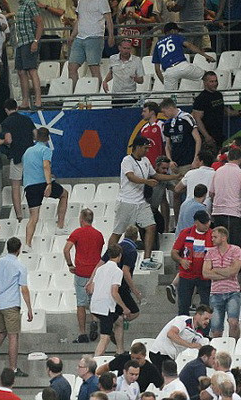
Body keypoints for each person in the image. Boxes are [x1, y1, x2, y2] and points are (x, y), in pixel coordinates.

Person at [109, 136, 162, 270]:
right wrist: (146, 182)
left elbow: (155, 175)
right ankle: (110, 259)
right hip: (126, 201)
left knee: (151, 226)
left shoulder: (146, 161)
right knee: (118, 232)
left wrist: (176, 177)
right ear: (137, 147)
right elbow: (130, 177)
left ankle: (146, 259)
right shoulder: (127, 160)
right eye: (145, 148)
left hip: (140, 202)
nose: (147, 151)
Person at [0, 237, 32, 377]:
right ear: (19, 249)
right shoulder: (20, 266)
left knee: (1, 332)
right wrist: (29, 308)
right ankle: (13, 368)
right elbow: (24, 289)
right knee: (13, 336)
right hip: (11, 304)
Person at [22, 127, 68, 250]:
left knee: (33, 217)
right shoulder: (45, 150)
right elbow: (45, 166)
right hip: (42, 183)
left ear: (36, 137)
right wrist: (49, 184)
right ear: (48, 138)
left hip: (29, 186)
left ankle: (27, 244)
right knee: (64, 194)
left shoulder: (27, 151)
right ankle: (60, 226)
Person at [64, 208, 104, 344]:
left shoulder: (77, 233)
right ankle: (94, 320)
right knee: (94, 301)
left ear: (81, 218)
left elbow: (66, 249)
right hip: (96, 273)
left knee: (81, 303)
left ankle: (82, 333)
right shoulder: (99, 234)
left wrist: (70, 265)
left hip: (81, 272)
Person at [68, 0, 113, 88]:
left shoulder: (101, 0)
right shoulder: (81, 0)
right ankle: (74, 92)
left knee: (94, 67)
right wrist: (72, 35)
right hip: (80, 37)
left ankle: (96, 91)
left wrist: (111, 35)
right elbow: (80, 19)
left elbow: (108, 19)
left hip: (94, 37)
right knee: (72, 66)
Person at [90, 244, 134, 357]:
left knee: (119, 321)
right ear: (119, 256)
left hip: (95, 305)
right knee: (105, 337)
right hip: (106, 307)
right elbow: (114, 292)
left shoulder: (100, 269)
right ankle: (94, 362)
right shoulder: (117, 271)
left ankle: (120, 350)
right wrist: (124, 308)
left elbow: (92, 288)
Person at [171, 210, 213, 316]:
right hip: (187, 275)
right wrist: (181, 260)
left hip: (205, 276)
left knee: (206, 306)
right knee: (183, 306)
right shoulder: (185, 233)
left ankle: (204, 332)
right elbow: (174, 252)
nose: (206, 225)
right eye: (203, 223)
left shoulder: (213, 235)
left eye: (208, 222)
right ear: (196, 222)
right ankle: (183, 328)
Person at [0, 99, 36, 222]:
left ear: (6, 110)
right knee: (32, 185)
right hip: (30, 156)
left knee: (16, 187)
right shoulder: (27, 119)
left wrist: (1, 141)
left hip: (17, 157)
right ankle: (34, 213)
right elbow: (36, 135)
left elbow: (8, 140)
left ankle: (19, 216)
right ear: (17, 107)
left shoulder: (6, 122)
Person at [203, 226, 241, 339]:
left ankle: (234, 345)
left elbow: (234, 271)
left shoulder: (236, 250)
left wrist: (215, 270)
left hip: (233, 291)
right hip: (216, 293)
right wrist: (226, 272)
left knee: (233, 322)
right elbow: (205, 273)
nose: (212, 239)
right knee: (216, 329)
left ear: (224, 237)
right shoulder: (210, 253)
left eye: (215, 237)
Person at [153, 23, 215, 92]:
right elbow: (189, 45)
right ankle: (212, 94)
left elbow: (157, 70)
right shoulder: (176, 36)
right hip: (182, 66)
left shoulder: (157, 44)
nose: (178, 32)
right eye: (177, 31)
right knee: (207, 76)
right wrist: (206, 56)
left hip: (169, 71)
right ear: (173, 31)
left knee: (170, 98)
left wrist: (165, 83)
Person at [148, 307, 213, 370]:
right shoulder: (183, 320)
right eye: (206, 318)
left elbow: (202, 347)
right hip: (160, 353)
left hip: (170, 357)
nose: (207, 321)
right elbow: (171, 334)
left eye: (209, 319)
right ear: (198, 315)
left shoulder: (199, 333)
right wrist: (190, 345)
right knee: (170, 378)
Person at [14, 0, 44, 108]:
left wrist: (35, 41)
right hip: (20, 42)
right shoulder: (20, 5)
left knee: (32, 69)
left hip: (29, 40)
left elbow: (39, 23)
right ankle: (25, 100)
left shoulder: (30, 3)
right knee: (21, 71)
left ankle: (38, 99)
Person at [193, 71, 239, 150]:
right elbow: (197, 119)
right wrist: (207, 136)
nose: (215, 83)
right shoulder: (200, 99)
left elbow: (225, 111)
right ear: (205, 82)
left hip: (219, 134)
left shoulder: (218, 95)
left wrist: (239, 112)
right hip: (208, 138)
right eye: (211, 81)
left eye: (216, 81)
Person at [96, 342, 163, 397]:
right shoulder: (122, 359)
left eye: (138, 358)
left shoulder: (151, 369)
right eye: (132, 357)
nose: (135, 360)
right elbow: (106, 367)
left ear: (144, 356)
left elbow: (161, 385)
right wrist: (96, 376)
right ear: (125, 371)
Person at [210, 148, 241, 246]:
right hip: (233, 213)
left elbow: (211, 193)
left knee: (219, 245)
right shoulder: (239, 172)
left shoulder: (218, 171)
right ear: (240, 159)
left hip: (217, 212)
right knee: (233, 247)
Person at [103, 38, 145, 107]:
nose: (126, 51)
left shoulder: (137, 60)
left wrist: (135, 78)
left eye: (128, 48)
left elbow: (141, 81)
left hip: (131, 97)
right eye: (124, 48)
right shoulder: (113, 58)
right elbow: (111, 73)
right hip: (116, 97)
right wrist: (105, 81)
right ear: (119, 48)